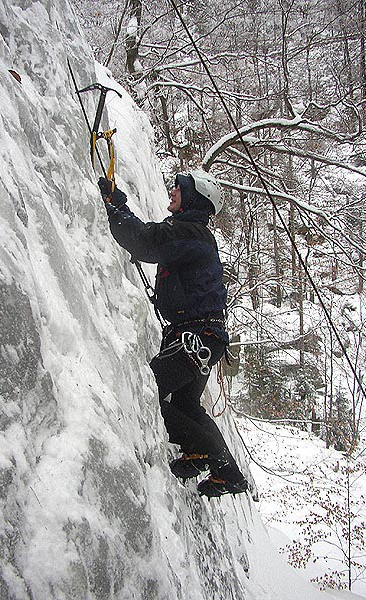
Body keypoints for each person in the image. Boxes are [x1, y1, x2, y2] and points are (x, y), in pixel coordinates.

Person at [98, 171, 248, 498]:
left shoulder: (191, 233)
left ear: (194, 198)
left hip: (196, 336)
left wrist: (114, 207)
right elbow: (152, 238)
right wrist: (119, 203)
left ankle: (206, 452)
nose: (172, 190)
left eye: (179, 188)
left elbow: (146, 241)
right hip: (203, 337)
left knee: (146, 389)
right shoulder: (191, 234)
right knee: (186, 404)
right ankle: (226, 472)